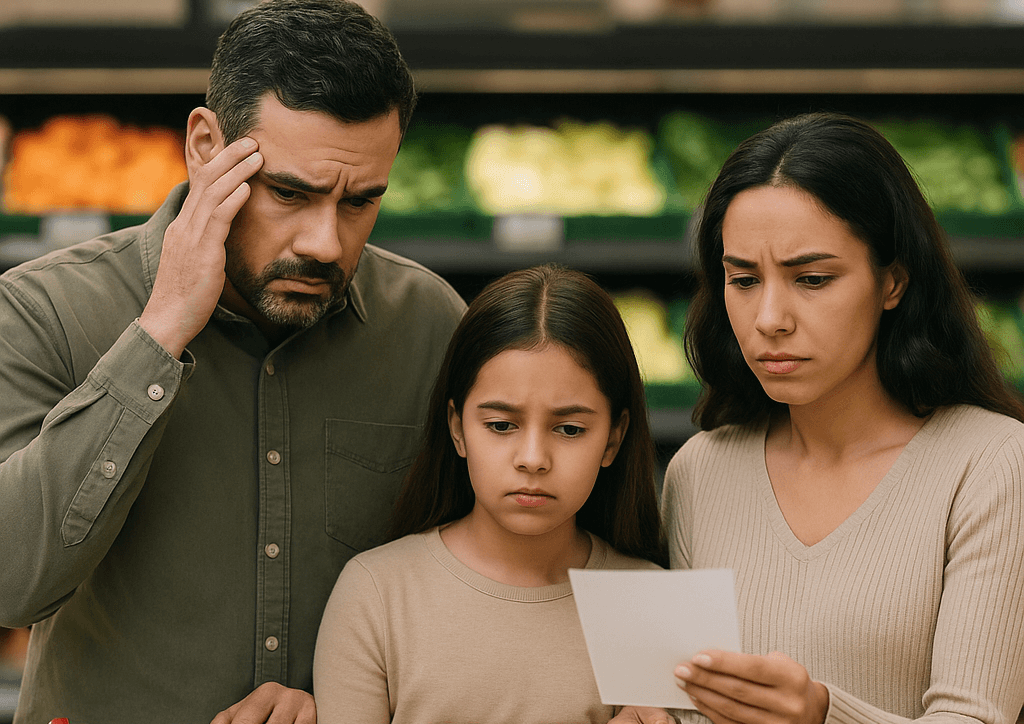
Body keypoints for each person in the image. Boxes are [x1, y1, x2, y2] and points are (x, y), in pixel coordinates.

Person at [0, 0, 465, 724]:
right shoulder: (42, 310)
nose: (325, 243)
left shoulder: (431, 327)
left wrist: (345, 698)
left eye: (360, 202)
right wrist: (158, 335)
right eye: (288, 192)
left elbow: (476, 585)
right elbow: (11, 584)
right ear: (206, 146)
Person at [661, 113, 1024, 724]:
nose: (770, 317)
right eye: (743, 279)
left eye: (813, 279)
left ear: (894, 281)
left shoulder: (993, 464)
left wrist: (821, 715)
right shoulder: (700, 471)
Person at [312, 264, 675, 724]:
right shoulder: (376, 595)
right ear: (456, 428)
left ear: (613, 439)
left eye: (569, 429)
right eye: (501, 425)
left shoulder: (650, 603)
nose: (532, 458)